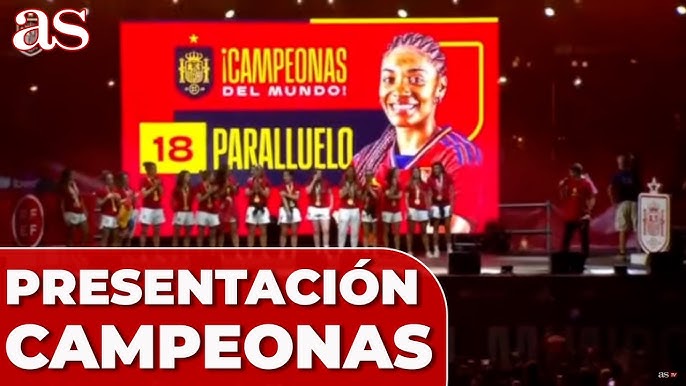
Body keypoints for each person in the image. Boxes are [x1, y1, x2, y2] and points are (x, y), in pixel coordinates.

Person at [353, 32, 482, 234]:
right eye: (389, 79)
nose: (400, 90)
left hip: (430, 264)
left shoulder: (459, 155)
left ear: (440, 87)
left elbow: (457, 228)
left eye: (415, 79)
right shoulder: (365, 161)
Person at [559, 163, 596, 258]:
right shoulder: (568, 182)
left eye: (572, 171)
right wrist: (561, 187)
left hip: (582, 215)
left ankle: (585, 257)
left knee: (584, 238)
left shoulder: (586, 183)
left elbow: (592, 197)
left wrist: (589, 211)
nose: (570, 173)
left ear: (576, 172)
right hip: (570, 215)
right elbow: (563, 196)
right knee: (566, 238)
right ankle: (563, 256)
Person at [608, 154, 641, 255]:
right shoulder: (634, 174)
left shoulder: (618, 175)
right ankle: (638, 249)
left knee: (623, 228)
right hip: (634, 203)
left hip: (624, 203)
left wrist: (612, 201)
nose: (619, 164)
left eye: (620, 162)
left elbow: (609, 189)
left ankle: (622, 251)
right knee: (636, 228)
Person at [428, 162, 455, 257]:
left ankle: (449, 247)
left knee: (447, 227)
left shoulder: (447, 177)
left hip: (446, 203)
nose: (436, 170)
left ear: (441, 169)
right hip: (435, 204)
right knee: (435, 228)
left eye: (437, 168)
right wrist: (429, 207)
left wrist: (452, 205)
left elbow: (452, 191)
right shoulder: (430, 179)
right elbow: (429, 194)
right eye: (434, 168)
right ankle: (436, 248)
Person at [58, 169, 88, 246]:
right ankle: (70, 248)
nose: (74, 176)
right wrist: (64, 214)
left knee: (86, 231)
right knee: (72, 233)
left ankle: (82, 248)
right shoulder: (63, 186)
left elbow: (80, 197)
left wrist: (84, 209)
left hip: (79, 210)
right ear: (67, 176)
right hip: (70, 211)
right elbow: (62, 201)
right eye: (72, 174)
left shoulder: (75, 184)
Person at [406, 167, 431, 257]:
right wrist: (407, 210)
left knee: (424, 231)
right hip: (413, 209)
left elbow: (427, 197)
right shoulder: (409, 184)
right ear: (412, 173)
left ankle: (427, 251)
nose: (416, 173)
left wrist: (428, 209)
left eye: (417, 172)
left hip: (423, 209)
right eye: (414, 172)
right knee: (410, 231)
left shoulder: (424, 184)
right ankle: (409, 250)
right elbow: (406, 198)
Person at [139, 162, 165, 247]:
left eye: (155, 168)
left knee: (157, 230)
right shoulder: (143, 180)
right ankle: (142, 251)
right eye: (153, 169)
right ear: (148, 170)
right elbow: (144, 194)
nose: (155, 171)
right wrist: (154, 187)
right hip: (147, 208)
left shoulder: (158, 179)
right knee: (144, 231)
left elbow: (162, 194)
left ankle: (156, 250)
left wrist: (159, 185)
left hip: (157, 208)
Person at [305, 170, 333, 248]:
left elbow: (331, 194)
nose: (318, 175)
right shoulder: (309, 182)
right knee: (316, 231)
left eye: (320, 173)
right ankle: (317, 249)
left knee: (326, 230)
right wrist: (314, 180)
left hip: (324, 208)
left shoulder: (326, 182)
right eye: (317, 173)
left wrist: (331, 206)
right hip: (314, 208)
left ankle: (326, 248)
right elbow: (307, 191)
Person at [246, 165, 271, 247]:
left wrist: (259, 187)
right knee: (251, 232)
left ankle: (264, 253)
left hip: (262, 208)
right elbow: (246, 193)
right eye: (255, 170)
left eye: (258, 170)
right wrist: (253, 189)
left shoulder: (266, 181)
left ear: (261, 172)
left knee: (263, 232)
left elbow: (267, 195)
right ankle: (250, 253)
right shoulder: (250, 181)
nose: (256, 172)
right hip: (252, 207)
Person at [216, 166, 240, 248]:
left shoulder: (231, 180)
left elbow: (236, 193)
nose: (230, 170)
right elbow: (219, 195)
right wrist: (226, 186)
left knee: (234, 230)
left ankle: (237, 252)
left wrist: (235, 187)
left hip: (231, 209)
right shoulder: (219, 181)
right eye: (228, 169)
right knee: (221, 232)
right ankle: (220, 252)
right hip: (223, 208)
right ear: (224, 171)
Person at [338, 166, 362, 247]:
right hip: (344, 209)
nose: (351, 173)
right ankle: (341, 250)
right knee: (342, 231)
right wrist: (348, 189)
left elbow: (360, 197)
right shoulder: (342, 182)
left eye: (352, 171)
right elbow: (341, 195)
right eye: (349, 171)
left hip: (355, 209)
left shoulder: (357, 183)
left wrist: (355, 190)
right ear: (346, 173)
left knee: (355, 232)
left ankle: (354, 250)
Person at [96, 171, 121, 247]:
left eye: (112, 179)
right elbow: (98, 204)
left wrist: (118, 199)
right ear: (105, 180)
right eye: (109, 179)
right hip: (106, 216)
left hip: (115, 216)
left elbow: (118, 204)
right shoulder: (101, 189)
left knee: (115, 238)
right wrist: (106, 198)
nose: (111, 181)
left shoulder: (115, 189)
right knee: (105, 237)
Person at [196, 170, 220, 247]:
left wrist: (215, 193)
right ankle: (199, 253)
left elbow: (217, 198)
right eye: (212, 176)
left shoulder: (214, 186)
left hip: (213, 212)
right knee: (200, 234)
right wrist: (209, 192)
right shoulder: (199, 186)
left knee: (213, 234)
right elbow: (199, 199)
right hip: (202, 211)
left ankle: (212, 253)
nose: (214, 177)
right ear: (207, 177)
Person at [278, 171, 301, 247]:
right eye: (284, 176)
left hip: (295, 209)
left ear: (291, 177)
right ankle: (282, 253)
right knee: (283, 232)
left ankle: (294, 253)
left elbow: (297, 197)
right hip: (284, 209)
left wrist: (287, 194)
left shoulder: (296, 185)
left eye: (286, 176)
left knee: (294, 232)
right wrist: (288, 211)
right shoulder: (282, 186)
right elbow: (283, 199)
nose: (284, 178)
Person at [171, 170, 194, 247]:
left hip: (189, 212)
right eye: (187, 176)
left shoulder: (191, 188)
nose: (189, 177)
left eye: (189, 176)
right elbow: (172, 200)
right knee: (176, 234)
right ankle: (174, 254)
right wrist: (176, 210)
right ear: (182, 177)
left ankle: (186, 252)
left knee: (188, 234)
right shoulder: (177, 188)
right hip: (180, 212)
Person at [382, 168, 403, 250]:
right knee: (386, 231)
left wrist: (393, 196)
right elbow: (388, 195)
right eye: (397, 172)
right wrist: (393, 186)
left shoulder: (399, 184)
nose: (398, 173)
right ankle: (386, 250)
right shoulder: (386, 183)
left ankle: (397, 249)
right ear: (393, 173)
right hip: (387, 210)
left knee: (397, 232)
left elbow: (400, 196)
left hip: (396, 210)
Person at [360, 170, 381, 247]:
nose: (368, 178)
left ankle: (374, 250)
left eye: (369, 176)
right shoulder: (363, 186)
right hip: (365, 211)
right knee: (366, 232)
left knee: (374, 232)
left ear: (372, 176)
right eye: (366, 176)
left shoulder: (377, 186)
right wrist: (365, 191)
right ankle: (366, 250)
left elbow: (377, 198)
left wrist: (370, 189)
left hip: (374, 211)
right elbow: (361, 199)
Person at [116, 172, 137, 247]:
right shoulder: (118, 190)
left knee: (129, 236)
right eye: (125, 179)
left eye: (128, 178)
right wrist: (127, 199)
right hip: (123, 214)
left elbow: (134, 203)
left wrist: (134, 198)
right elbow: (118, 203)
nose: (127, 180)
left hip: (131, 213)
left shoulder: (131, 190)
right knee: (121, 236)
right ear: (121, 180)